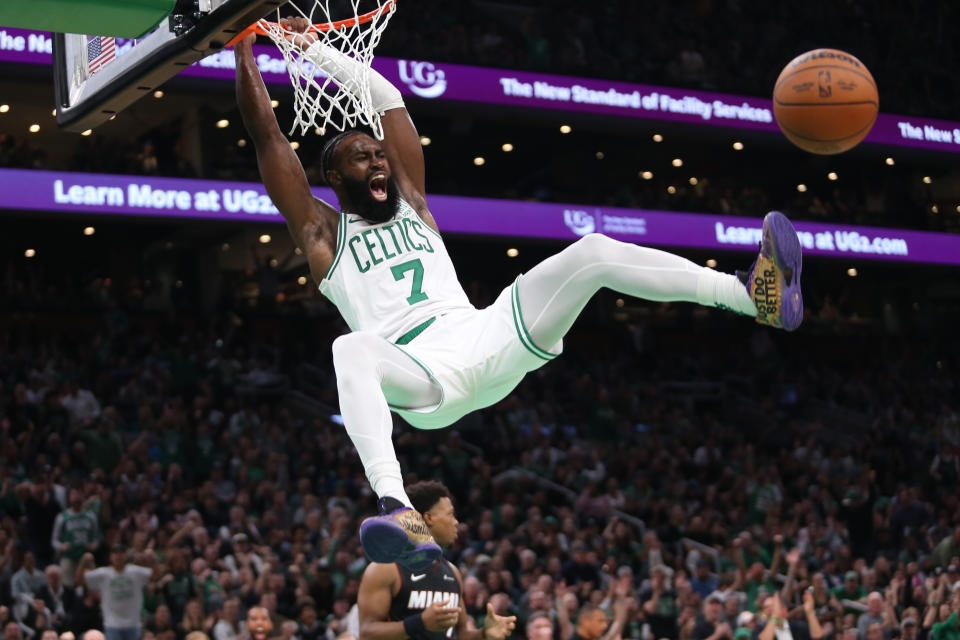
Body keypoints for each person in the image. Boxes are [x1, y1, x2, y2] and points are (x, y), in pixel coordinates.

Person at [234, 16, 804, 569]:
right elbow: (267, 137)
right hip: (417, 370)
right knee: (348, 348)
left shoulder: (413, 200)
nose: (378, 159)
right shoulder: (323, 234)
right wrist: (242, 45)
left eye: (380, 153)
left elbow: (387, 101)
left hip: (482, 331)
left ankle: (750, 296)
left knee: (594, 252)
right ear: (334, 178)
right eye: (363, 157)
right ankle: (396, 504)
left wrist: (315, 52)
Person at [355, 481, 515, 640]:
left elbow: (461, 634)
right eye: (451, 514)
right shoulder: (386, 568)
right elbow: (367, 632)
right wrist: (420, 623)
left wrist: (483, 634)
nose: (456, 522)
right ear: (429, 518)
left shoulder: (453, 572)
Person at [76, 546, 153, 640]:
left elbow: (156, 575)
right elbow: (79, 582)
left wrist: (153, 559)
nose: (118, 557)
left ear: (125, 556)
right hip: (112, 625)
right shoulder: (103, 573)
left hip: (133, 624)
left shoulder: (135, 571)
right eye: (115, 554)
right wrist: (83, 562)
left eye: (121, 554)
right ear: (110, 557)